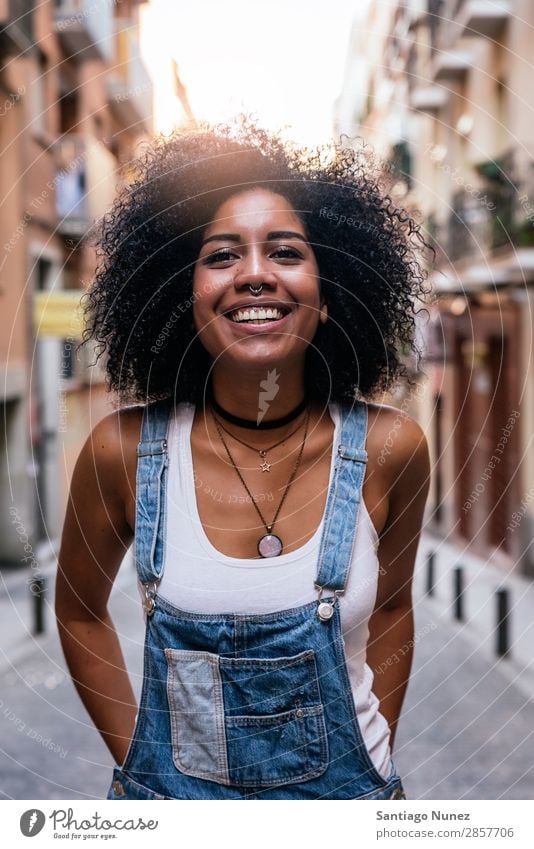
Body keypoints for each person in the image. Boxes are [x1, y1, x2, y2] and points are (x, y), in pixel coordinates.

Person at [55, 120, 431, 800]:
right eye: (222, 255)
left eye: (285, 251)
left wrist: (374, 760)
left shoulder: (391, 448)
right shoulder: (120, 452)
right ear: (181, 287)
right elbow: (78, 612)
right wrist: (141, 764)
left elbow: (394, 607)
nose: (255, 274)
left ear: (330, 284)